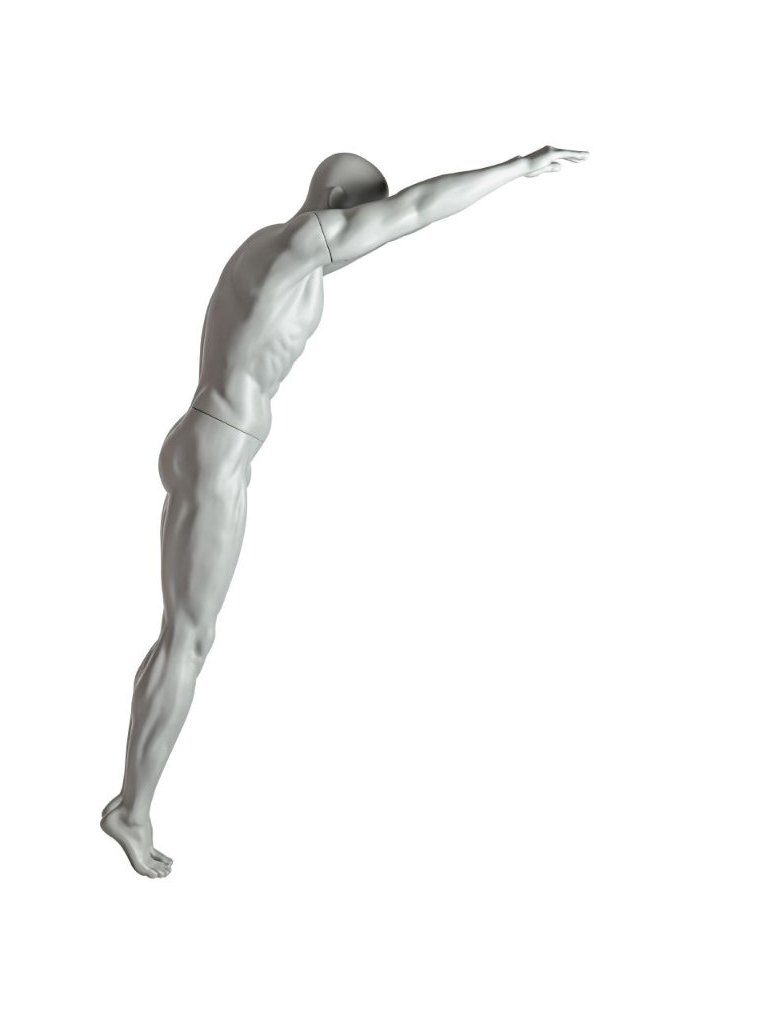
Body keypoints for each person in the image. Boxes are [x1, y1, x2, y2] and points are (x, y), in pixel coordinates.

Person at [101, 145, 589, 877]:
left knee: (180, 638)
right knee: (189, 644)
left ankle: (130, 804)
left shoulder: (271, 251)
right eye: (361, 212)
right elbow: (418, 210)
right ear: (334, 199)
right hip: (218, 451)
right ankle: (131, 812)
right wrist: (518, 168)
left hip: (206, 439)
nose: (365, 229)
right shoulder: (305, 240)